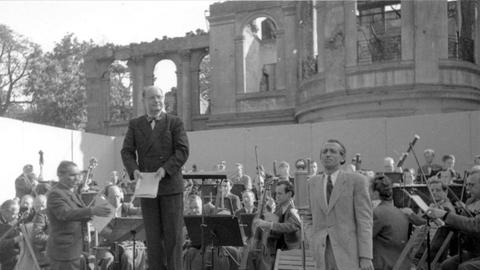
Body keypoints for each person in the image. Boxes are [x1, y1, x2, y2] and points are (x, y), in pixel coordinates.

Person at [121, 85, 189, 270]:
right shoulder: (135, 124)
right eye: (152, 98)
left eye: (159, 97)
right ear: (143, 100)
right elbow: (127, 151)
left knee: (173, 239)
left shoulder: (174, 122)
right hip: (147, 188)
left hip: (170, 187)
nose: (157, 101)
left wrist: (165, 169)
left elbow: (183, 151)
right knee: (153, 239)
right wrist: (134, 170)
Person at [305, 139, 373, 270]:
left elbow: (364, 221)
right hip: (321, 253)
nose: (328, 154)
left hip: (349, 253)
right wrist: (312, 238)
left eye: (333, 151)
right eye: (324, 152)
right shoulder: (312, 183)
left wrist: (365, 256)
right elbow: (307, 217)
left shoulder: (356, 181)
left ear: (342, 158)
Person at [46, 160, 112, 270]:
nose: (77, 178)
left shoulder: (72, 192)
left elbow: (80, 214)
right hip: (64, 252)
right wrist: (92, 211)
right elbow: (65, 214)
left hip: (74, 248)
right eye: (72, 175)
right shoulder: (55, 193)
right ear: (60, 175)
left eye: (78, 175)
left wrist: (101, 215)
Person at [426, 171, 480, 270]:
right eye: (467, 184)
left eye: (471, 185)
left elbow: (475, 226)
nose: (467, 188)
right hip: (475, 252)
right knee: (447, 265)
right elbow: (465, 225)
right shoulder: (472, 202)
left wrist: (445, 215)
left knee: (465, 268)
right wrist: (443, 221)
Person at [250, 180, 301, 270]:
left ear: (289, 194)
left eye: (280, 194)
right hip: (276, 251)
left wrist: (267, 224)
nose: (276, 196)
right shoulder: (278, 208)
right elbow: (272, 228)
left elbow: (290, 226)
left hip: (291, 253)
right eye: (276, 193)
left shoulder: (295, 209)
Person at [96, 185, 145, 270]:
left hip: (128, 245)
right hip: (110, 246)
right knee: (107, 259)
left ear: (122, 196)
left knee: (127, 257)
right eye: (112, 197)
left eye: (118, 196)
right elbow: (104, 232)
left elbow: (139, 211)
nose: (116, 199)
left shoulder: (127, 207)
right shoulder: (102, 211)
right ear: (106, 198)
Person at [370, 175, 411, 270]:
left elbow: (364, 237)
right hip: (401, 262)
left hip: (384, 264)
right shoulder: (399, 212)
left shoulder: (377, 213)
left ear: (376, 194)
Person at [0, 199, 22, 270]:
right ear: (5, 211)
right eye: (14, 214)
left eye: (17, 213)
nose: (16, 217)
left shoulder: (11, 220)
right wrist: (15, 239)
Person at [32, 194, 49, 267]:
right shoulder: (39, 216)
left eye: (43, 206)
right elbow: (37, 236)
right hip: (43, 252)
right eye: (37, 207)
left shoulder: (49, 214)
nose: (40, 208)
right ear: (34, 207)